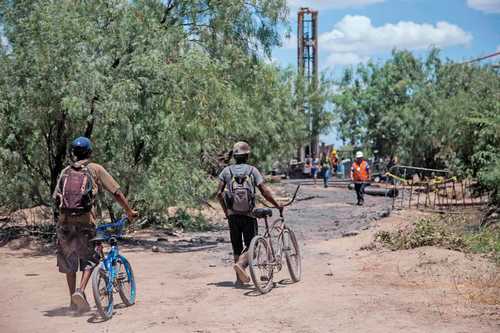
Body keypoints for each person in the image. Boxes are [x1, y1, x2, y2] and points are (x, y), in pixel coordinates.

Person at [52, 136, 138, 313]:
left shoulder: (65, 172)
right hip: (85, 222)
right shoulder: (95, 169)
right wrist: (129, 211)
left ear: (73, 153)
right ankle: (80, 291)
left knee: (70, 262)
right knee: (91, 257)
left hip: (64, 223)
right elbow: (116, 192)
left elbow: (56, 198)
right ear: (89, 152)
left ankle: (73, 302)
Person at [216, 141, 282, 286]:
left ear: (234, 156)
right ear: (247, 155)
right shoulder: (252, 171)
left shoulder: (226, 171)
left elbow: (219, 193)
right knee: (253, 246)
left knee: (236, 246)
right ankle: (241, 266)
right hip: (249, 214)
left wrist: (226, 211)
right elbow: (264, 191)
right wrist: (276, 205)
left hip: (232, 214)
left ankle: (239, 279)